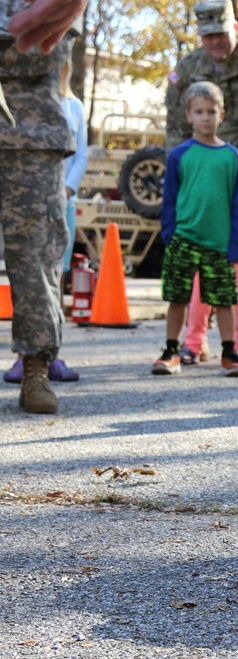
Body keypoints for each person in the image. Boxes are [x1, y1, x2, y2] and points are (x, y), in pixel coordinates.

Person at [165, 0, 238, 367]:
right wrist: (186, 183)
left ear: (234, 28)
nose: (215, 42)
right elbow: (173, 130)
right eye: (207, 35)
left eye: (220, 33)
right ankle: (193, 339)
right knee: (204, 253)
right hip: (207, 172)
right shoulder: (188, 69)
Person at [0, 1, 79, 413]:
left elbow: (44, 50)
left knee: (36, 260)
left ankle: (36, 368)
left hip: (30, 140)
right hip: (33, 137)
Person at [153, 81, 238, 377]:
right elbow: (169, 199)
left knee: (224, 300)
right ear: (188, 115)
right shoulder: (180, 154)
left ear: (222, 114)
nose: (206, 117)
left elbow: (237, 203)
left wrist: (235, 243)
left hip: (219, 244)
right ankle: (171, 351)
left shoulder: (231, 156)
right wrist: (169, 233)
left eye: (211, 111)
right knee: (178, 298)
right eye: (199, 112)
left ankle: (230, 353)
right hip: (183, 239)